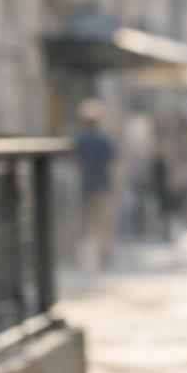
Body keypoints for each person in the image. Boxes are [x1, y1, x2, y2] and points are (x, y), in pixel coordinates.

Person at [71, 99, 118, 269]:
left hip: (84, 185)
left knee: (85, 223)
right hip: (102, 185)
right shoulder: (104, 139)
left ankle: (83, 256)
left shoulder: (80, 139)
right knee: (103, 221)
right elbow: (112, 164)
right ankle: (104, 253)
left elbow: (74, 162)